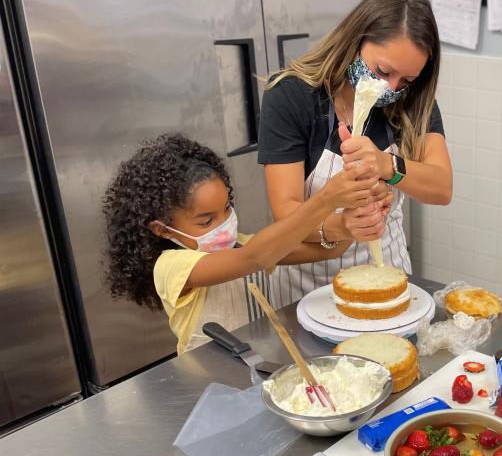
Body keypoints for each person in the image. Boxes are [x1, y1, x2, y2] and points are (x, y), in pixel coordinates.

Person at [258, 0, 452, 306]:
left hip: (388, 277)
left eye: (406, 80)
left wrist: (388, 166)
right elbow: (286, 212)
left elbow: (441, 188)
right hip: (311, 292)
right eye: (383, 71)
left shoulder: (412, 104)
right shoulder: (292, 98)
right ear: (355, 39)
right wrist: (344, 226)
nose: (390, 88)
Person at [103, 133, 381, 353]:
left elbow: (324, 251)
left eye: (227, 208)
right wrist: (325, 201)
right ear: (161, 230)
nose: (224, 223)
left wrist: (351, 224)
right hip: (209, 376)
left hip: (260, 361)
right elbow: (254, 258)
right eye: (205, 221)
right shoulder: (172, 267)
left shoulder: (240, 245)